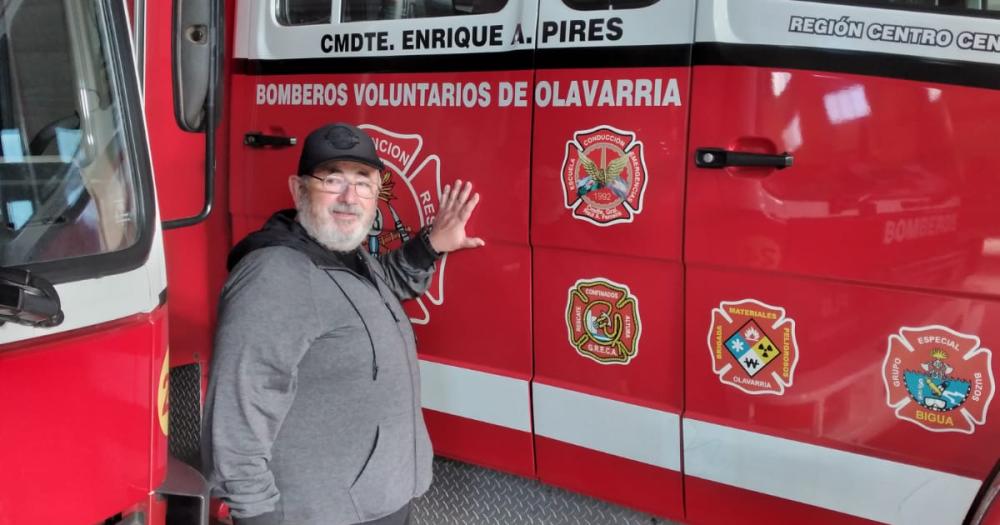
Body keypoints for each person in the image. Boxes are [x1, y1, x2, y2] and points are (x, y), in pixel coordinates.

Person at [201, 122, 485, 525]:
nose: (350, 198)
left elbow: (379, 288)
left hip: (376, 501)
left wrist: (430, 244)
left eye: (364, 182)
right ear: (298, 190)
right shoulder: (275, 276)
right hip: (321, 514)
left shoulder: (345, 256)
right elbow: (238, 412)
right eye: (332, 179)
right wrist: (255, 515)